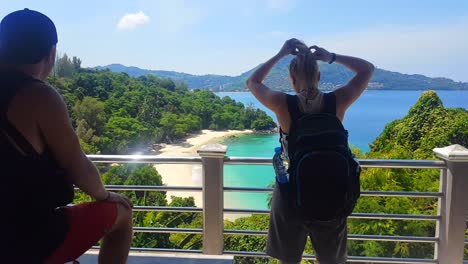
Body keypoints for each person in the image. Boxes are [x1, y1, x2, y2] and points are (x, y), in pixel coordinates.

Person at [0, 9, 133, 263]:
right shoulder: (39, 96)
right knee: (122, 214)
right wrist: (105, 196)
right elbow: (78, 167)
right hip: (23, 239)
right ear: (51, 54)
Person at [246, 38, 374, 264]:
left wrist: (280, 54)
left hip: (290, 195)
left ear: (292, 79)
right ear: (319, 76)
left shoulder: (282, 103)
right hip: (333, 191)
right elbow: (367, 69)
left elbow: (253, 81)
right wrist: (332, 57)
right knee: (331, 261)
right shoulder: (338, 100)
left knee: (289, 260)